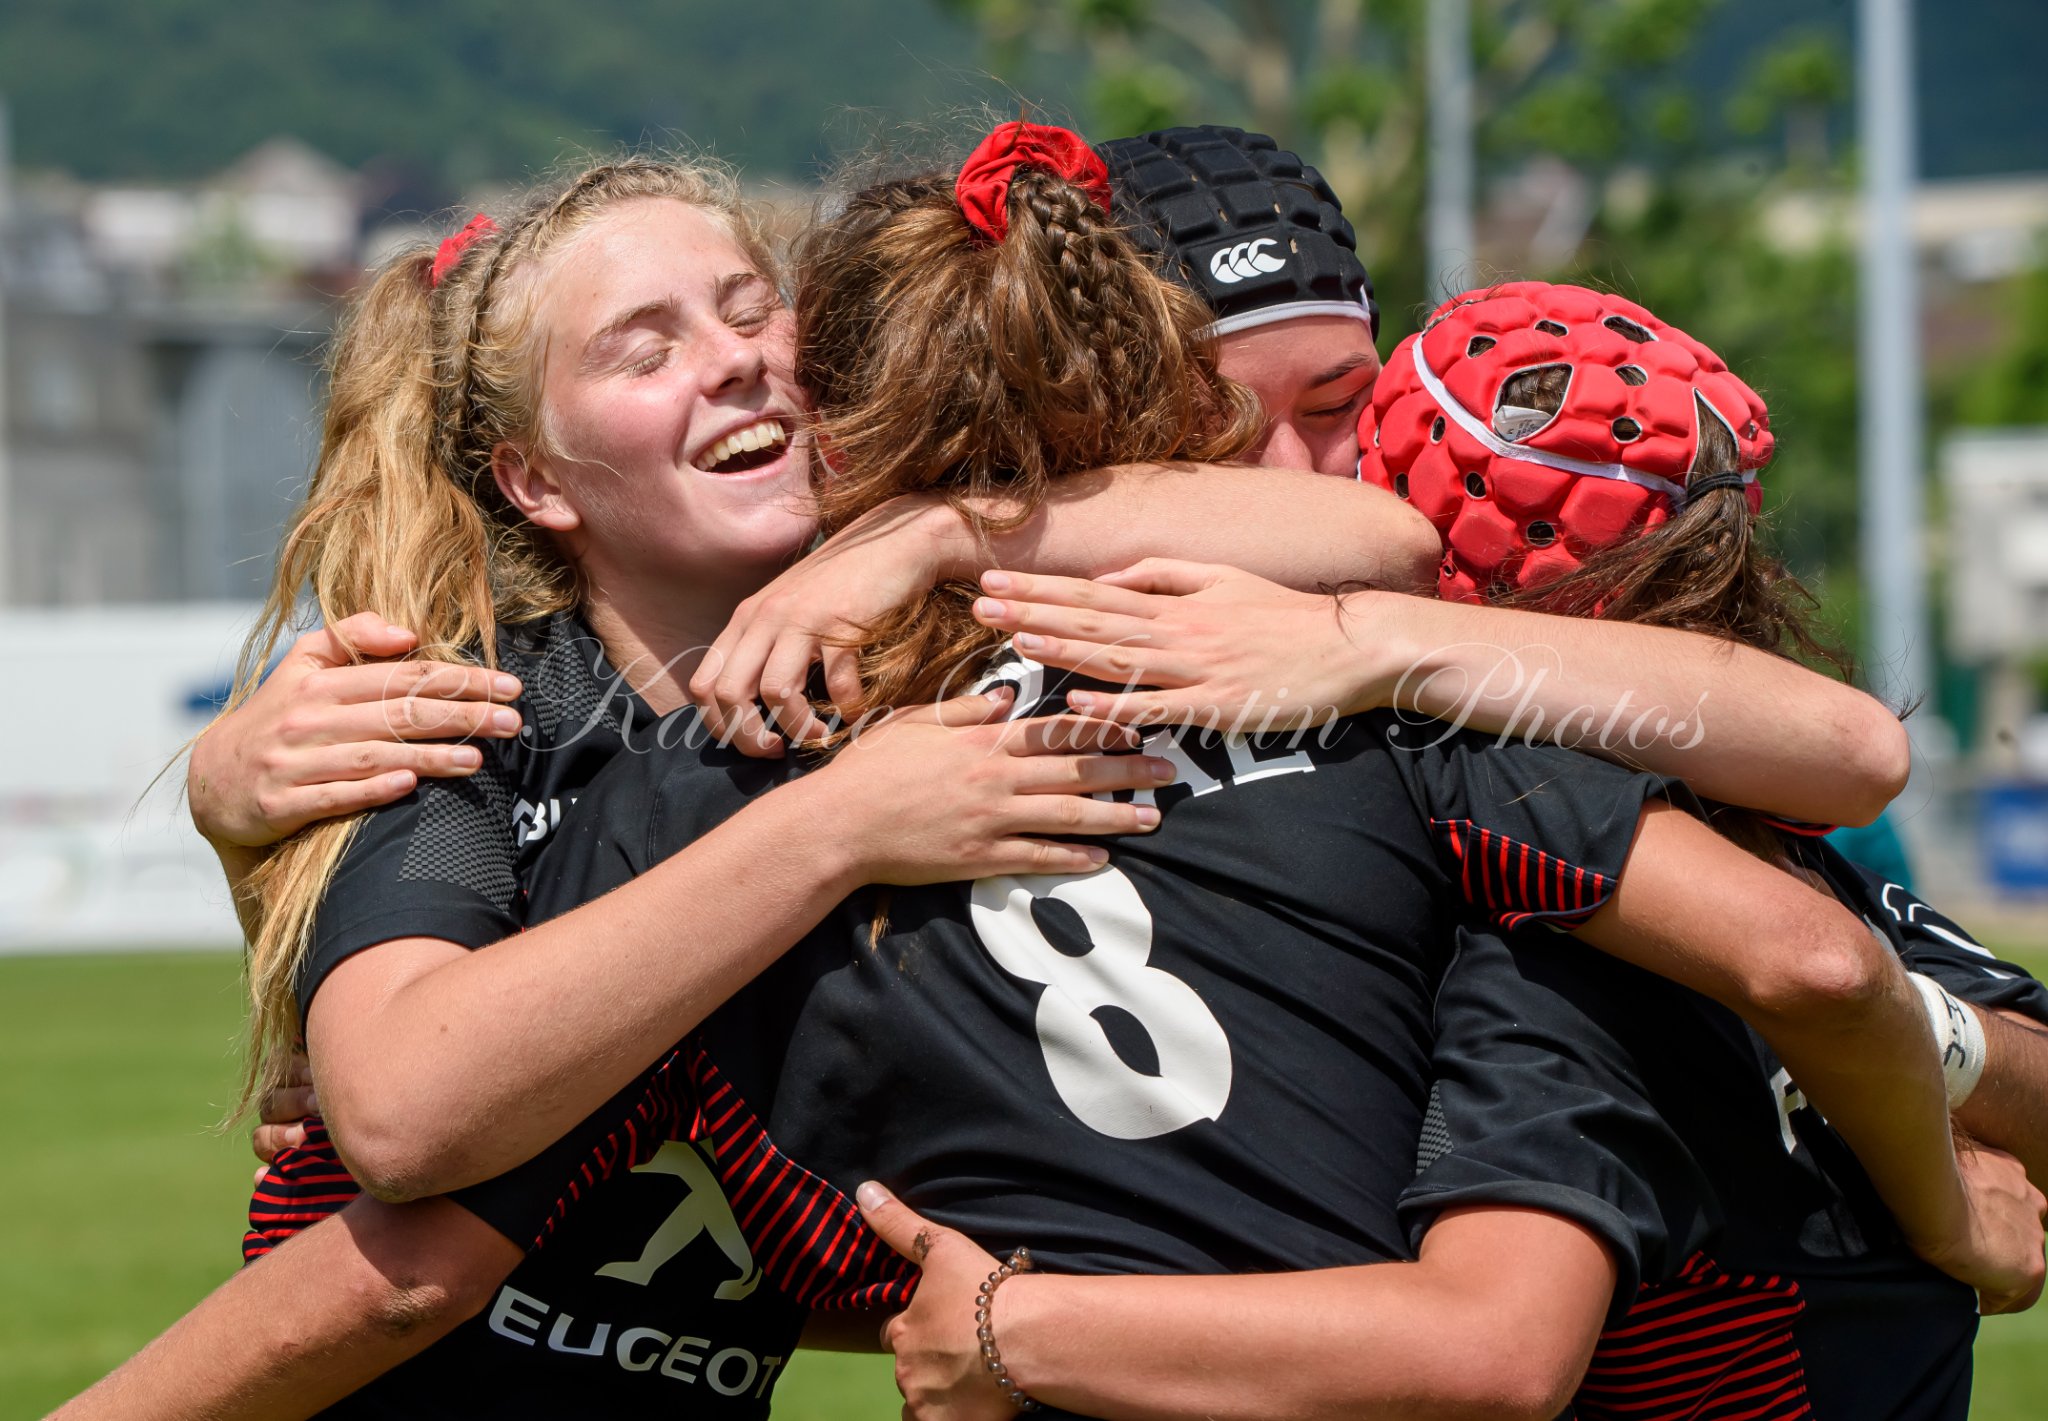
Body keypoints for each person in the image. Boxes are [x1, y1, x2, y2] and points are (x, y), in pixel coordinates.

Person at [61, 133, 2002, 1421]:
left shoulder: (1288, 656)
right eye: (643, 345)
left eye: (750, 309)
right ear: (533, 480)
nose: (730, 361)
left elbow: (1806, 880)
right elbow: (398, 1162)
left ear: (837, 384)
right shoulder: (579, 749)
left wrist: (919, 551)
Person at [920, 280, 2048, 1419]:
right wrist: (1921, 1128)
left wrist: (1901, 1047)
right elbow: (1825, 971)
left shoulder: (1645, 870)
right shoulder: (1555, 894)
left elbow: (1842, 974)